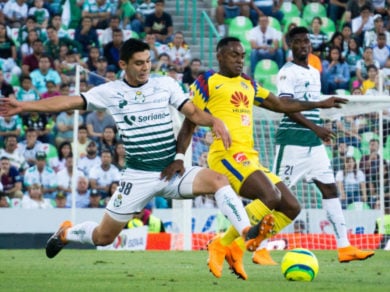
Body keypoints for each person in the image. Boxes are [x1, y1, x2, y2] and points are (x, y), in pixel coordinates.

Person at [0, 38, 271, 265]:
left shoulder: (164, 84)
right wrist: (24, 106)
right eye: (139, 63)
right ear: (123, 65)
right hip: (138, 178)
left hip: (172, 171)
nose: (145, 68)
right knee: (103, 237)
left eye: (148, 62)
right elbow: (68, 102)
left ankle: (246, 230)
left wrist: (214, 121)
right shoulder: (110, 92)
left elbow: (193, 113)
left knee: (218, 180)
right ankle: (67, 233)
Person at [173, 36, 349, 280]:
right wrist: (180, 157)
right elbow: (189, 123)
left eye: (242, 55)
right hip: (226, 156)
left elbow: (279, 104)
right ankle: (223, 243)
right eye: (234, 55)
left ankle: (231, 245)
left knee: (291, 207)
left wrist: (320, 103)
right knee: (270, 196)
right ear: (219, 55)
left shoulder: (248, 83)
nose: (240, 59)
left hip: (250, 157)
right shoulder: (208, 82)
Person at [271, 26, 374, 263]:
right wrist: (315, 127)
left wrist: (321, 125)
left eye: (306, 41)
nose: (304, 45)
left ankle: (344, 247)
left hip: (313, 145)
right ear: (290, 46)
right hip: (292, 142)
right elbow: (286, 106)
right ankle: (258, 246)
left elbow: (312, 103)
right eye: (298, 42)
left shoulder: (314, 71)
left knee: (329, 189)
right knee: (274, 196)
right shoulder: (288, 72)